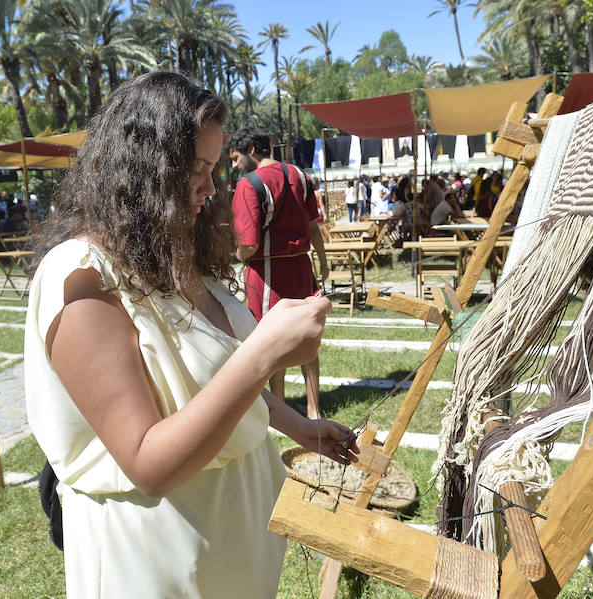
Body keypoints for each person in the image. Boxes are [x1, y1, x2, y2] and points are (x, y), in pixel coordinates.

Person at [25, 73, 357, 599]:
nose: (211, 187)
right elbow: (147, 463)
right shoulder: (82, 275)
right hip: (158, 559)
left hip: (229, 546)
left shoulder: (171, 256)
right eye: (196, 170)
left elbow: (208, 376)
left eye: (215, 169)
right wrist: (265, 350)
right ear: (143, 171)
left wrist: (297, 425)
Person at [228, 126, 329, 420]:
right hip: (301, 266)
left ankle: (279, 409)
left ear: (251, 151)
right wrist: (322, 261)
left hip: (267, 272)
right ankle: (313, 409)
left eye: (235, 158)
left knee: (272, 340)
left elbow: (247, 243)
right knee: (308, 336)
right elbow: (313, 226)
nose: (234, 166)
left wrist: (236, 257)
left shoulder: (249, 184)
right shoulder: (300, 175)